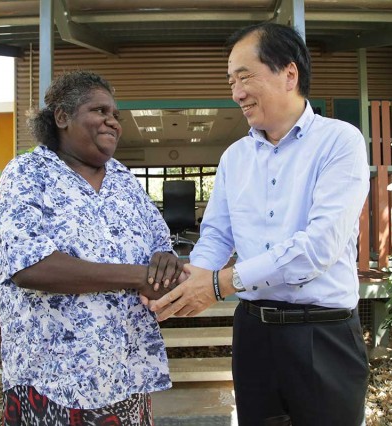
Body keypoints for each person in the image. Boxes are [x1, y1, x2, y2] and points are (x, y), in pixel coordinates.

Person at [148, 23, 371, 425]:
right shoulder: (235, 157)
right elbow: (216, 234)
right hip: (253, 333)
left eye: (244, 76)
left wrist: (218, 285)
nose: (236, 93)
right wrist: (186, 286)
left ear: (289, 74)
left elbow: (318, 248)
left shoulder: (340, 142)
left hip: (323, 335)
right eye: (231, 80)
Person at [0, 70, 183, 425]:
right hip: (54, 380)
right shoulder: (28, 174)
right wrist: (138, 275)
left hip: (126, 374)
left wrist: (164, 263)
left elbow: (161, 249)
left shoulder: (124, 180)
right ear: (62, 117)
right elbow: (31, 267)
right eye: (100, 111)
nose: (113, 121)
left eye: (116, 116)